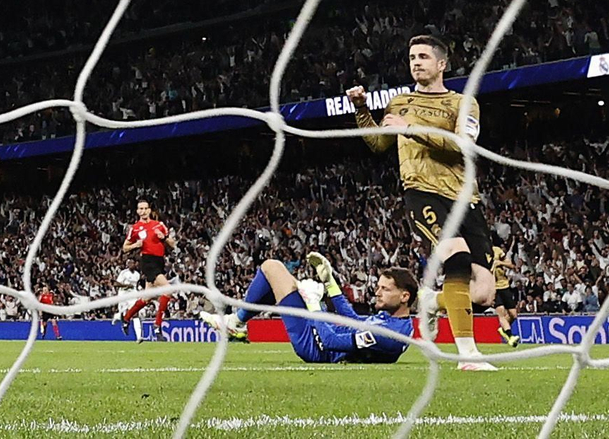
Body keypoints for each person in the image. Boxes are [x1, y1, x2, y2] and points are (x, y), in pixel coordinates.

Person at [346, 33, 497, 371]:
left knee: (484, 293)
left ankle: (430, 301)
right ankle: (468, 355)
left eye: (423, 57)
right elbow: (377, 144)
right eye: (412, 57)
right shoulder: (400, 103)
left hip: (463, 198)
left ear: (441, 64)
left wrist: (410, 127)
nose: (416, 62)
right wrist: (360, 110)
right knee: (456, 259)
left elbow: (462, 146)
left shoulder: (463, 103)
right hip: (421, 192)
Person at [202, 252, 416, 365]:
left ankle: (235, 322)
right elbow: (352, 319)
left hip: (316, 346)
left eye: (385, 289)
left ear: (404, 296)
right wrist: (330, 282)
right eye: (378, 287)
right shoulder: (396, 323)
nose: (377, 292)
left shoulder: (388, 334)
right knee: (276, 274)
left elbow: (330, 342)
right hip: (323, 332)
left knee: (272, 267)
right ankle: (235, 323)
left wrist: (315, 305)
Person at [119, 197, 176, 340]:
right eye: (140, 209)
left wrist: (163, 238)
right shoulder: (135, 228)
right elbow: (125, 247)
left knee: (147, 297)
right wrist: (135, 246)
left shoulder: (159, 225)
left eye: (145, 208)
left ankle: (126, 318)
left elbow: (172, 244)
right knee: (168, 290)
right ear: (138, 211)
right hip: (147, 261)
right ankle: (157, 327)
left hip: (159, 261)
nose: (143, 211)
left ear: (150, 210)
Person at [490, 243, 522, 347]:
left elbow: (511, 265)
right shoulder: (480, 255)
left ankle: (504, 330)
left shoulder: (497, 250)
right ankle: (510, 336)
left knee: (513, 314)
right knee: (501, 312)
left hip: (504, 286)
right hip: (494, 289)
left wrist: (499, 263)